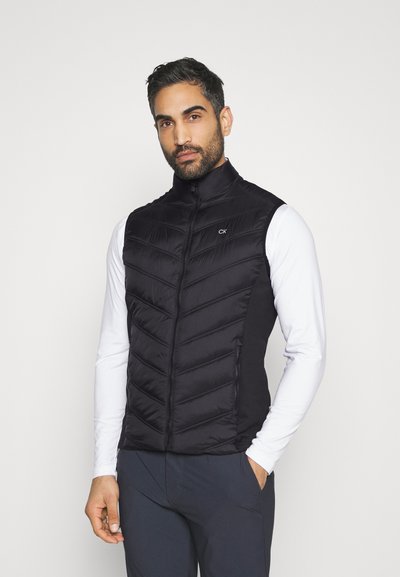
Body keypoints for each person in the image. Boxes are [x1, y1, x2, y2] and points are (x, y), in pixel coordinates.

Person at [84, 56, 326, 577]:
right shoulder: (134, 230)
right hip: (143, 472)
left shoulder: (274, 222)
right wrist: (105, 467)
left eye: (193, 116)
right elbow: (114, 351)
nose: (180, 136)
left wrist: (258, 462)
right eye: (165, 122)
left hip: (229, 468)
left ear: (224, 119)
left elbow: (308, 350)